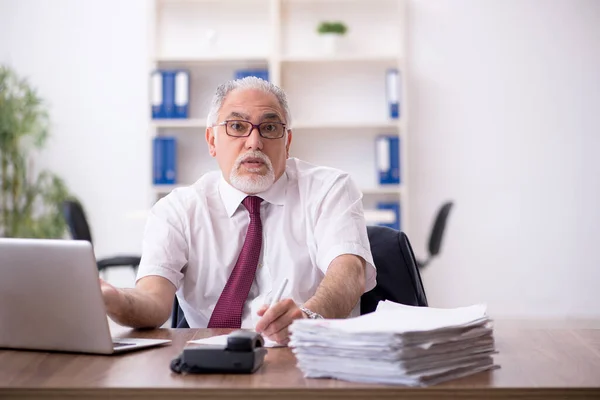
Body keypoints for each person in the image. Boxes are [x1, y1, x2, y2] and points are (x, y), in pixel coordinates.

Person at [100, 77, 376, 345]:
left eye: (269, 128)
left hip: (309, 359)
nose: (254, 142)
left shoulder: (329, 189)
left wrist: (308, 318)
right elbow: (153, 299)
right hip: (211, 367)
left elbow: (349, 273)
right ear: (211, 140)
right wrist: (114, 300)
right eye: (236, 126)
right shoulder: (177, 210)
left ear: (287, 141)